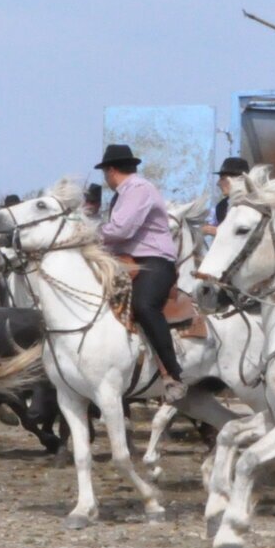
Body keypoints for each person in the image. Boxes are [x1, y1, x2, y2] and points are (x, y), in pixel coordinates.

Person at [96, 143, 186, 403]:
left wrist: (89, 234)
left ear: (111, 171)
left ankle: (173, 372)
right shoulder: (125, 193)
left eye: (105, 173)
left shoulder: (138, 189)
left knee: (144, 305)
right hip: (128, 261)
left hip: (154, 260)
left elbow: (121, 230)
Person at [210, 156, 251, 227]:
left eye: (222, 178)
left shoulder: (255, 204)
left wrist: (215, 231)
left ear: (239, 179)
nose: (218, 183)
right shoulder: (220, 207)